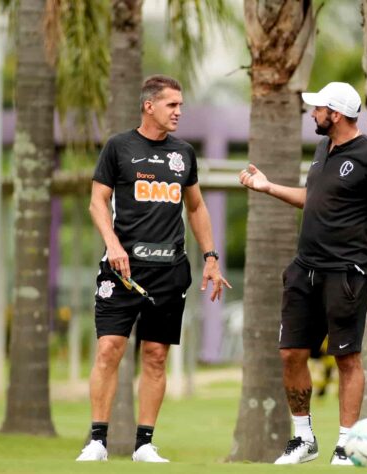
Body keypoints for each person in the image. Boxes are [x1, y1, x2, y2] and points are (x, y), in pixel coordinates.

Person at [239, 81, 367, 466]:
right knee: (291, 353)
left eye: (318, 108)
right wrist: (267, 187)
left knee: (347, 359)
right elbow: (314, 199)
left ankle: (347, 445)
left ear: (337, 114)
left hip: (347, 273)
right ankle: (304, 438)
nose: (312, 113)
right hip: (304, 269)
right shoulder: (323, 148)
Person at [76, 75, 230, 463]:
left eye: (181, 105)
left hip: (169, 271)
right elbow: (97, 202)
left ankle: (144, 444)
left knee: (157, 355)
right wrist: (112, 244)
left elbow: (195, 207)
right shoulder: (118, 147)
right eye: (171, 105)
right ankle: (97, 441)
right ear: (149, 106)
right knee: (109, 349)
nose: (179, 111)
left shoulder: (184, 154)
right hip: (121, 269)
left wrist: (211, 257)